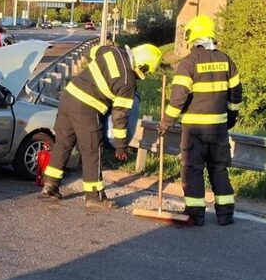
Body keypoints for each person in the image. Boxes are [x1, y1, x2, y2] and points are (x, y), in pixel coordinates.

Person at [41, 42, 163, 209]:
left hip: (68, 97)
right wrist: (120, 146)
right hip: (87, 107)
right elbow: (120, 117)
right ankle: (94, 196)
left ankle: (50, 185)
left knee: (63, 144)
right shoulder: (127, 82)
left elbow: (94, 51)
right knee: (92, 150)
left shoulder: (113, 51)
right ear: (142, 65)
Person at [158, 14, 243, 226]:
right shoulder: (226, 60)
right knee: (219, 168)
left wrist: (166, 121)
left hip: (194, 129)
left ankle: (196, 215)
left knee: (193, 169)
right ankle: (225, 214)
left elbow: (178, 97)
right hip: (218, 128)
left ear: (192, 37)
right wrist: (230, 118)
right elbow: (236, 95)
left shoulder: (189, 63)